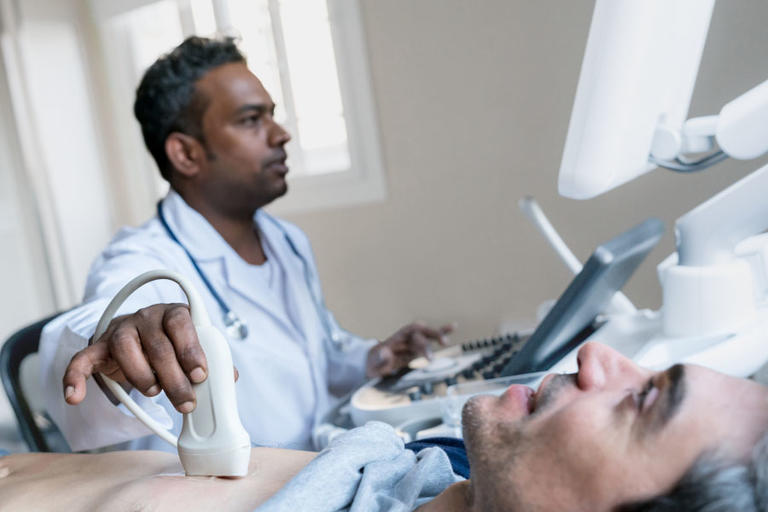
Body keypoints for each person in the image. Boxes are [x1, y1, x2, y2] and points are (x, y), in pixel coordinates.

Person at [38, 35, 452, 453]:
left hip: (320, 466)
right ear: (185, 153)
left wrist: (371, 358)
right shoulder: (147, 259)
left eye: (272, 115)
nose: (281, 134)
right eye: (252, 119)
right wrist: (116, 332)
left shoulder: (286, 241)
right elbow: (105, 317)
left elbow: (316, 355)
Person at [6, 342, 768, 511]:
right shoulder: (428, 473)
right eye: (256, 119)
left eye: (642, 400)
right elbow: (57, 368)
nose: (602, 357)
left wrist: (363, 355)